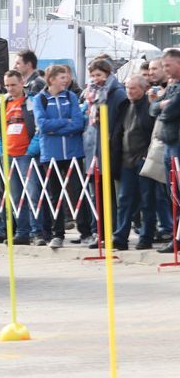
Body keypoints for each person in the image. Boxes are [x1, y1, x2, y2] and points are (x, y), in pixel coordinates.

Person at [33, 65, 86, 249]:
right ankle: (58, 234)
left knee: (79, 192)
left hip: (73, 152)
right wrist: (65, 123)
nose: (66, 80)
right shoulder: (40, 98)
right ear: (52, 79)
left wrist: (56, 128)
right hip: (51, 153)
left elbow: (78, 123)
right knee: (55, 195)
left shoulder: (71, 97)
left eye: (67, 77)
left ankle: (85, 232)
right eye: (62, 77)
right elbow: (42, 124)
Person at [0, 70, 43, 245]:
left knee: (33, 194)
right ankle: (22, 232)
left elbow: (38, 127)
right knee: (15, 196)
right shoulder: (2, 104)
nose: (10, 88)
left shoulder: (31, 102)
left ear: (22, 83)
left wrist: (32, 149)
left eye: (13, 84)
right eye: (7, 85)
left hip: (26, 155)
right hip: (9, 156)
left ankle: (38, 232)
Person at [83, 58, 127, 248]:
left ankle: (113, 232)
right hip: (94, 148)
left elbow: (116, 124)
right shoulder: (92, 95)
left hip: (109, 149)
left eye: (99, 75)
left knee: (111, 195)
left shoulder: (116, 94)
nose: (95, 79)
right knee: (97, 195)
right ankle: (100, 232)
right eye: (92, 75)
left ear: (108, 74)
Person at [111, 75, 157, 250]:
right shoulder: (124, 106)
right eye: (128, 88)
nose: (129, 91)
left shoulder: (149, 107)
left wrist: (148, 155)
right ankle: (120, 236)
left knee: (147, 200)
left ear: (143, 89)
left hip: (144, 160)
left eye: (133, 88)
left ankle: (146, 237)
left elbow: (153, 132)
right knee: (124, 200)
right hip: (126, 161)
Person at [149, 48, 180, 253]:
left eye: (168, 65)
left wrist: (161, 106)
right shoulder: (171, 86)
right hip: (169, 144)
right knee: (174, 195)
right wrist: (161, 104)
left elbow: (169, 111)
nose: (165, 69)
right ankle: (176, 238)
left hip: (177, 144)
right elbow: (153, 109)